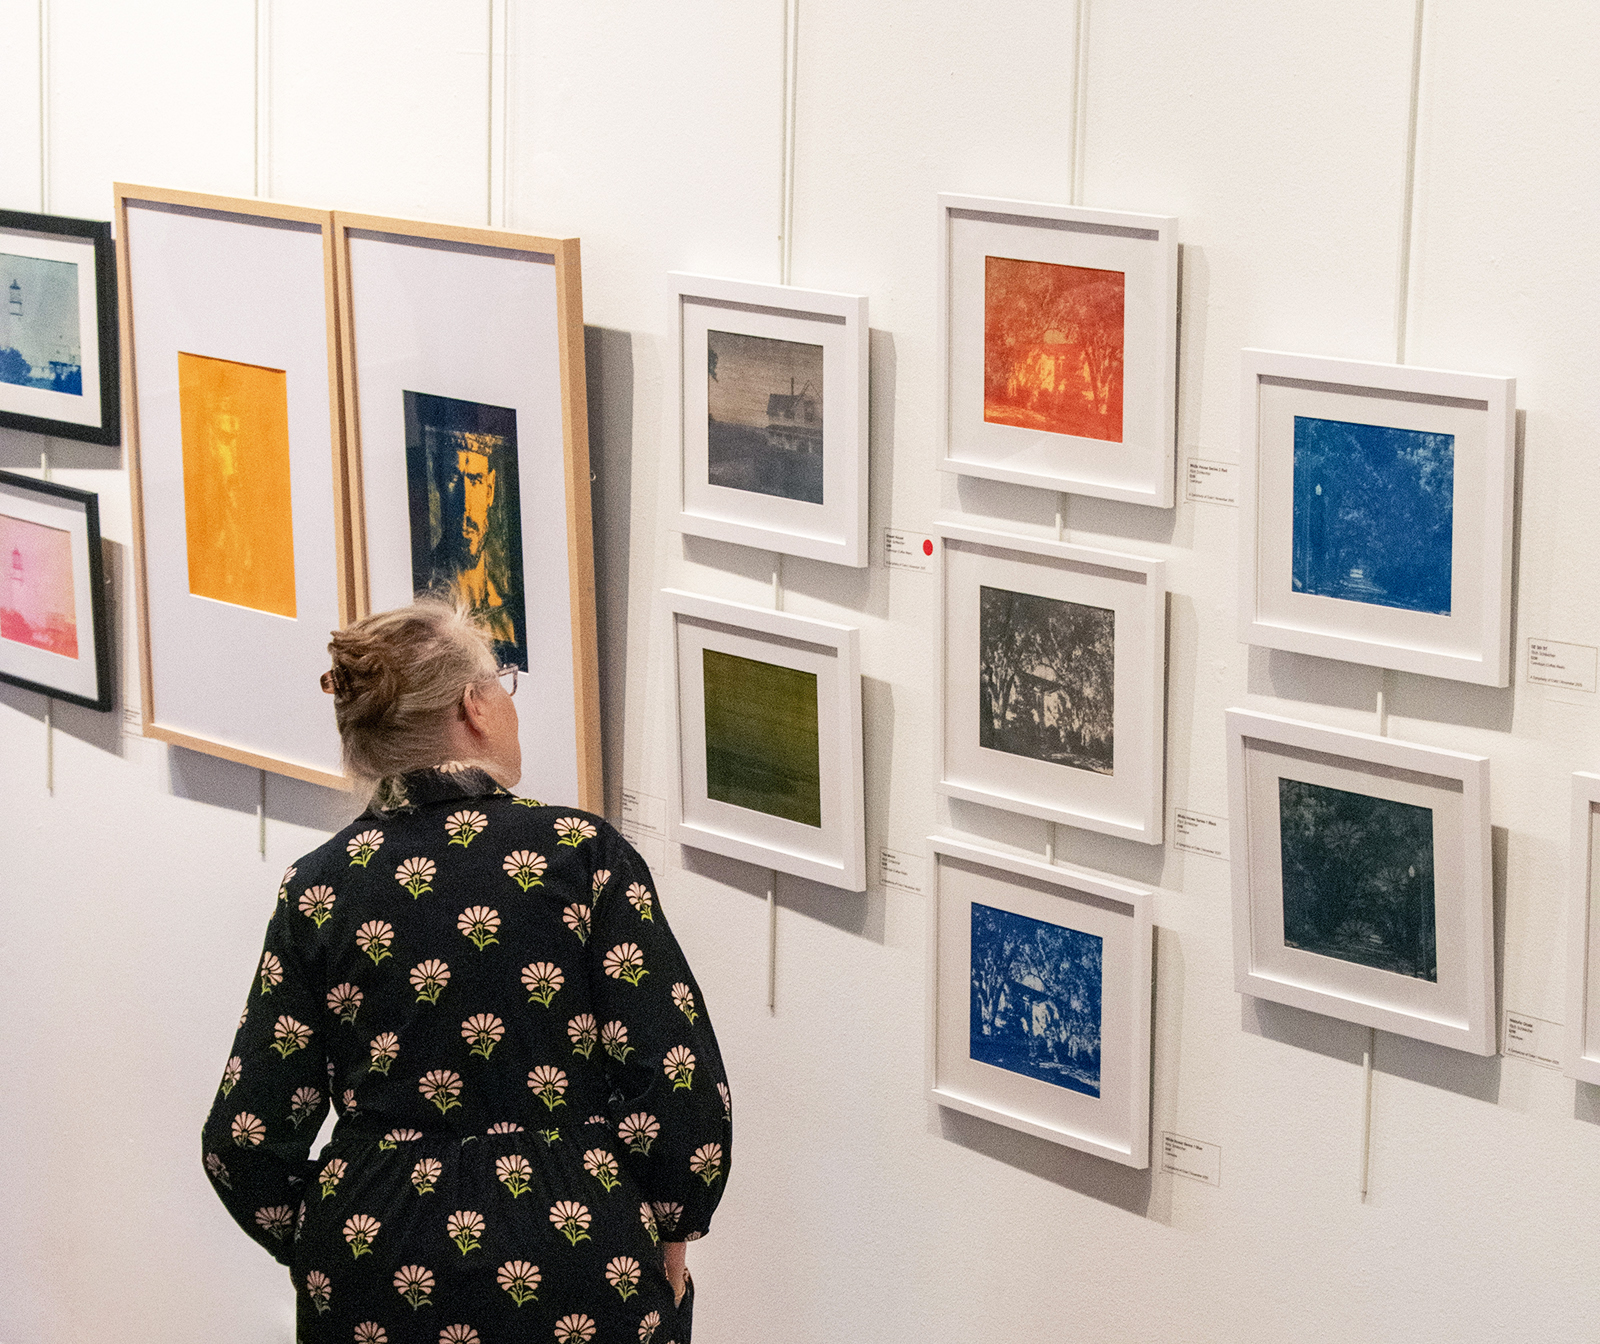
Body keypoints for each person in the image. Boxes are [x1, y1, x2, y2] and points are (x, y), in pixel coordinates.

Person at [201, 598, 730, 1342]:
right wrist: (674, 1223)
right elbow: (676, 1080)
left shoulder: (319, 887)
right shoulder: (581, 855)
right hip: (577, 1250)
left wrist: (341, 1229)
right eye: (502, 684)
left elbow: (243, 1138)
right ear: (474, 705)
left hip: (376, 1265)